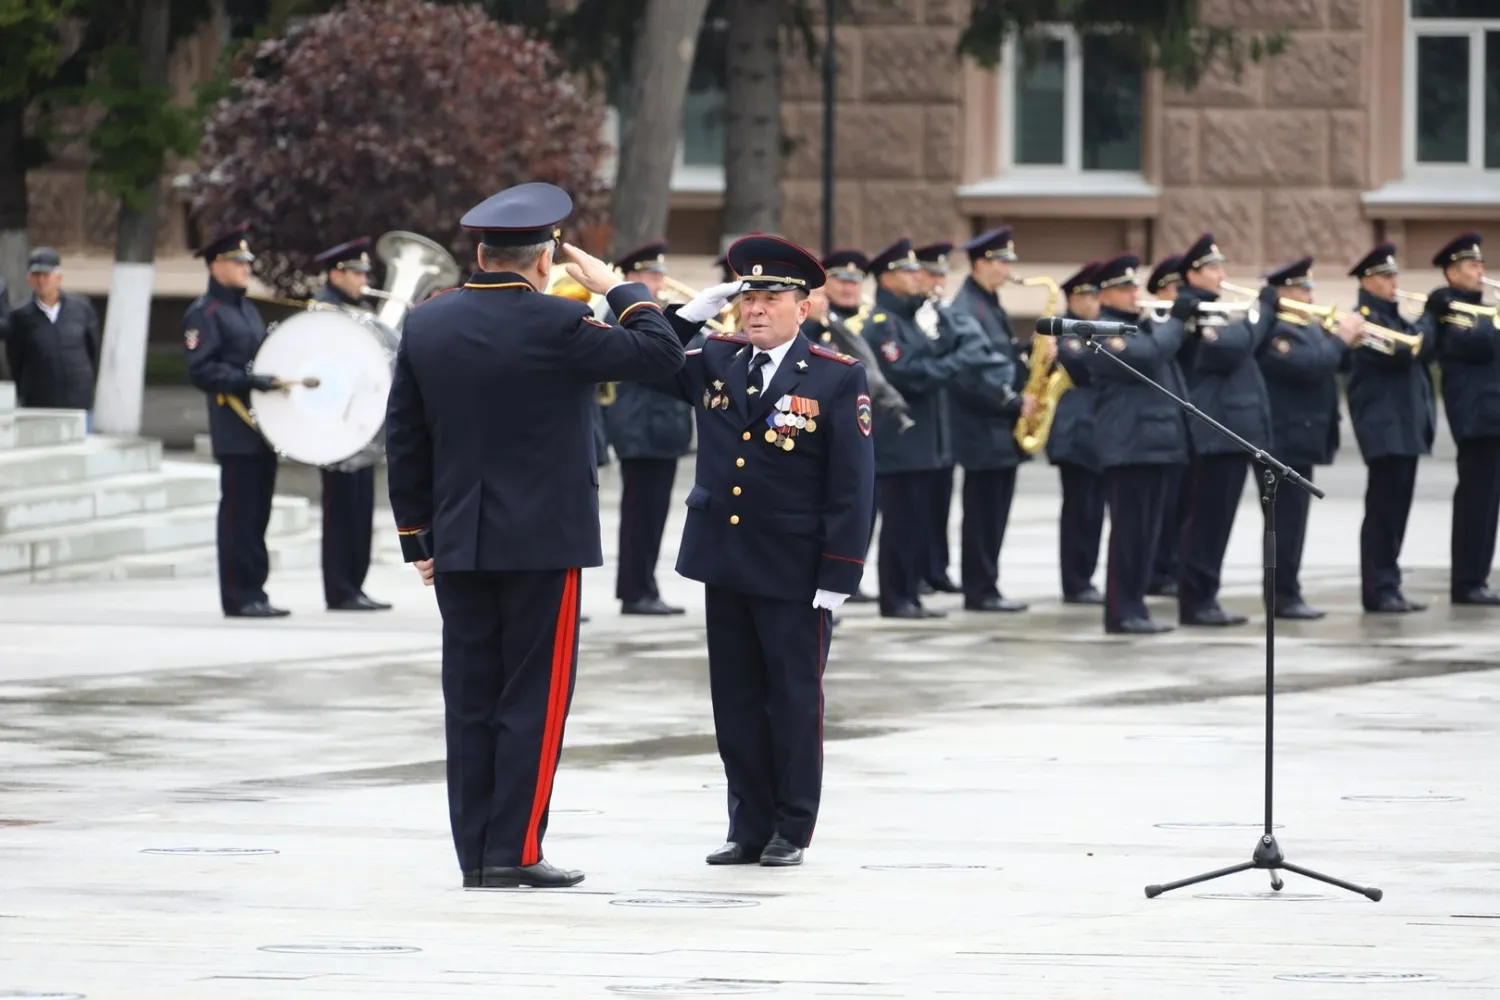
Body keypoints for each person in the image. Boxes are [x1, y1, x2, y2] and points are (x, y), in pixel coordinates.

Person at [384, 182, 685, 889]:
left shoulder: (428, 325)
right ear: (545, 258)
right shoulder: (560, 324)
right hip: (545, 544)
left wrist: (418, 539)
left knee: (471, 699)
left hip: (459, 540)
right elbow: (663, 356)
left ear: (481, 253)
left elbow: (404, 439)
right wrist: (617, 287)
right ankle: (514, 850)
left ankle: (476, 856)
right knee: (533, 699)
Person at [651, 233, 875, 867]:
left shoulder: (836, 376)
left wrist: (839, 573)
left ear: (802, 307)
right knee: (737, 700)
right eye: (746, 298)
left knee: (793, 700)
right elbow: (650, 355)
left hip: (794, 568)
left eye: (771, 298)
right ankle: (746, 825)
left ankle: (791, 826)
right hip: (724, 561)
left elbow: (853, 487)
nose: (754, 310)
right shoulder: (717, 359)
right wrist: (691, 313)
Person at [183, 224, 291, 619]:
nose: (247, 268)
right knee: (238, 516)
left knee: (257, 515)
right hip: (234, 428)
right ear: (217, 266)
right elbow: (202, 370)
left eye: (247, 262)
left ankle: (255, 591)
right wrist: (250, 381)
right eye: (238, 262)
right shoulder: (204, 314)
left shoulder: (245, 308)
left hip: (262, 429)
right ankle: (238, 595)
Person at [1171, 233, 1276, 627]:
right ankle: (1196, 601)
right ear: (1192, 274)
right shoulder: (1195, 311)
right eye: (1213, 268)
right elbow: (1230, 348)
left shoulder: (1215, 309)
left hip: (1232, 430)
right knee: (1207, 522)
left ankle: (1206, 596)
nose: (1222, 275)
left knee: (1219, 522)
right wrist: (1261, 313)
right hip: (1213, 432)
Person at [1086, 253, 1191, 635]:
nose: (1135, 293)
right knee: (1130, 532)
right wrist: (1177, 319)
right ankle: (1121, 611)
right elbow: (1147, 358)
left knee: (1147, 532)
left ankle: (1136, 606)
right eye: (1126, 288)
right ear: (1106, 294)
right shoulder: (1101, 329)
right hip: (1129, 446)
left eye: (1135, 286)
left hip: (1155, 443)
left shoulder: (1140, 325)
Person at [864, 237, 967, 619]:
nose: (915, 277)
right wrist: (952, 365)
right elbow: (906, 374)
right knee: (901, 522)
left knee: (917, 521)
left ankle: (911, 593)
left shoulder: (910, 319)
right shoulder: (882, 324)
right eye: (906, 271)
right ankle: (896, 597)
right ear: (887, 278)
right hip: (901, 442)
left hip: (925, 440)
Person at [1256, 256, 1362, 620]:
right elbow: (1311, 367)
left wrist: (1348, 344)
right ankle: (1282, 596)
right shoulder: (1277, 333)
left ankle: (1289, 590)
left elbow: (1332, 364)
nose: (1310, 295)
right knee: (1284, 524)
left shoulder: (1310, 327)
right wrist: (1341, 340)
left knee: (1295, 522)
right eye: (1303, 288)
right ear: (1284, 293)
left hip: (1304, 440)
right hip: (1282, 443)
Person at [600, 240, 692, 616]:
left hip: (662, 430)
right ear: (633, 277)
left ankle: (644, 586)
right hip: (641, 429)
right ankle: (636, 591)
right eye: (652, 274)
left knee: (652, 516)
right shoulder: (622, 313)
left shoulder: (655, 313)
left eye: (660, 273)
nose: (660, 280)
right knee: (641, 516)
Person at [1345, 242, 1435, 614]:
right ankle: (1378, 588)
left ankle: (1390, 582)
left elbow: (1425, 349)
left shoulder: (1395, 317)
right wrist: (1430, 318)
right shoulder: (1363, 320)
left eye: (1395, 275)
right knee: (1383, 511)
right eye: (1386, 276)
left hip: (1404, 427)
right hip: (1383, 428)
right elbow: (1400, 354)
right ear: (1368, 280)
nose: (1394, 282)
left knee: (1397, 509)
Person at [946, 226, 1031, 612]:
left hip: (999, 428)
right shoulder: (968, 308)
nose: (1008, 269)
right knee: (983, 514)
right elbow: (970, 375)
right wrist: (1013, 402)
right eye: (1002, 261)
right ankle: (980, 589)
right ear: (981, 263)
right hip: (982, 426)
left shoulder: (989, 303)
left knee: (996, 511)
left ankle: (987, 584)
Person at [309, 237, 391, 613]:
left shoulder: (359, 311)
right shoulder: (324, 312)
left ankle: (354, 585)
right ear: (335, 273)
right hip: (335, 428)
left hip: (361, 427)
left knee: (360, 511)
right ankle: (340, 589)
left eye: (364, 272)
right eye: (355, 272)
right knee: (341, 512)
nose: (362, 279)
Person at [1426, 233, 1500, 606]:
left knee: (1489, 502)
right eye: (1472, 266)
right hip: (1474, 417)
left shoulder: (1478, 308)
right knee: (1476, 500)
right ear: (1452, 273)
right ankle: (1466, 581)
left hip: (1492, 415)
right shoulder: (1448, 306)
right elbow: (1477, 345)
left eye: (1481, 264)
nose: (1480, 271)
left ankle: (1478, 577)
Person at [1050, 260, 1107, 604]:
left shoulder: (1095, 331)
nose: (1095, 300)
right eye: (1089, 294)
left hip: (1095, 436)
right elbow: (1084, 366)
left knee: (1094, 512)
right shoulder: (1066, 334)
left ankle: (1084, 576)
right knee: (1080, 512)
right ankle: (1075, 580)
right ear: (1074, 298)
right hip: (1075, 437)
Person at [2, 248, 102, 419]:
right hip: (38, 404)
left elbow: (93, 349)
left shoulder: (81, 308)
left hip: (78, 403)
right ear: (29, 280)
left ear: (58, 278)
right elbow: (15, 359)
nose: (41, 280)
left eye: (46, 275)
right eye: (36, 275)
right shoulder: (20, 316)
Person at [913, 241, 961, 595]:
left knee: (940, 501)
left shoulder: (944, 311)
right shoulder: (914, 314)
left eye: (942, 274)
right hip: (918, 424)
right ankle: (917, 572)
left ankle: (936, 568)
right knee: (916, 507)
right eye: (931, 274)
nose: (937, 281)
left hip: (944, 419)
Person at [1143, 255, 1186, 598]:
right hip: (1156, 429)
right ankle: (1159, 571)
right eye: (1176, 288)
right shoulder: (1157, 321)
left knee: (1179, 507)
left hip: (1179, 428)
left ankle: (1170, 567)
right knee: (1163, 508)